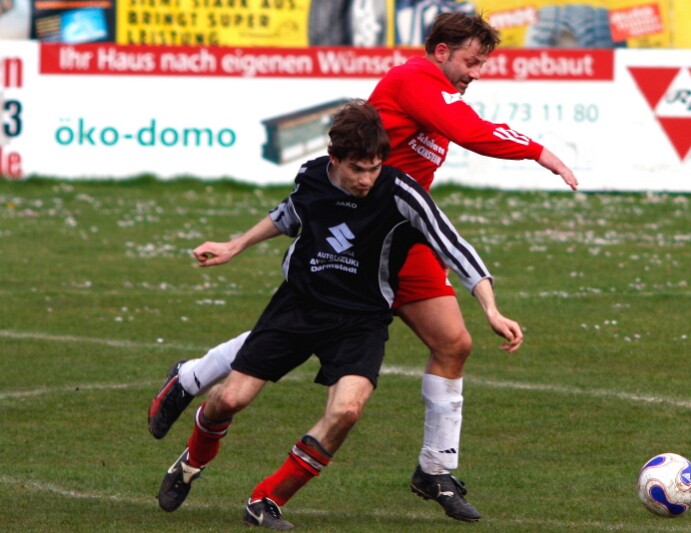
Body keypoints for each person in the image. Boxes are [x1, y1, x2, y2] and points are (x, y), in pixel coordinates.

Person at [149, 11, 577, 521]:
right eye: (471, 61)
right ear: (441, 52)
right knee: (301, 324)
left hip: (398, 235)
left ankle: (435, 469)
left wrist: (489, 303)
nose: (476, 73)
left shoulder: (434, 107)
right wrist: (540, 153)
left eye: (482, 64)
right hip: (354, 238)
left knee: (452, 343)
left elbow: (446, 219)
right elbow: (470, 131)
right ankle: (193, 378)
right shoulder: (416, 81)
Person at [155, 100, 522, 530]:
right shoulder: (312, 176)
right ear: (334, 159)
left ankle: (266, 499)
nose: (366, 179)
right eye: (357, 169)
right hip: (299, 305)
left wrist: (491, 308)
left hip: (361, 320)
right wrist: (234, 245)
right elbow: (288, 215)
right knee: (230, 400)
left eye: (374, 168)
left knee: (347, 411)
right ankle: (191, 463)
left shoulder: (401, 192)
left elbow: (454, 245)